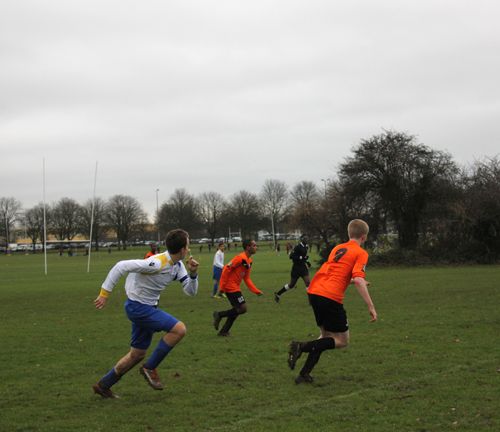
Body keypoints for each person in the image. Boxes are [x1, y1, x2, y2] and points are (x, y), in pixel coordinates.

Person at [92, 229, 199, 399]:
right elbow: (121, 266)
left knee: (137, 354)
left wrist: (193, 274)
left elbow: (190, 291)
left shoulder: (178, 266)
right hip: (137, 307)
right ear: (183, 249)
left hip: (147, 308)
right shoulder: (157, 263)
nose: (189, 248)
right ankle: (150, 367)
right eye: (188, 244)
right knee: (179, 330)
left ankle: (103, 385)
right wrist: (104, 294)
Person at [287, 219, 377, 384]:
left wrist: (356, 281)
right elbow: (358, 279)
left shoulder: (338, 248)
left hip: (315, 292)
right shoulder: (361, 253)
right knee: (342, 341)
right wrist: (371, 306)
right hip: (329, 297)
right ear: (364, 237)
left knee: (325, 337)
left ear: (349, 234)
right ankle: (300, 347)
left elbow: (336, 275)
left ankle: (304, 374)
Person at [212, 239, 263, 336]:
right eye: (254, 245)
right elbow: (226, 269)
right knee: (243, 308)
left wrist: (255, 290)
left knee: (236, 310)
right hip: (230, 287)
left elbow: (246, 278)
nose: (256, 247)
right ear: (248, 247)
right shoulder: (240, 258)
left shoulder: (249, 261)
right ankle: (219, 314)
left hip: (235, 287)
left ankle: (224, 331)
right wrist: (222, 287)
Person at [274, 235, 311, 303]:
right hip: (296, 268)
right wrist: (301, 258)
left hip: (303, 267)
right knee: (291, 284)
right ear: (302, 239)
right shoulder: (297, 247)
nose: (307, 240)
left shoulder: (306, 246)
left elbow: (304, 256)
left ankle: (310, 300)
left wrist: (307, 261)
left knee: (308, 283)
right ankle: (278, 294)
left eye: (307, 238)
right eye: (305, 239)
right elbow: (291, 256)